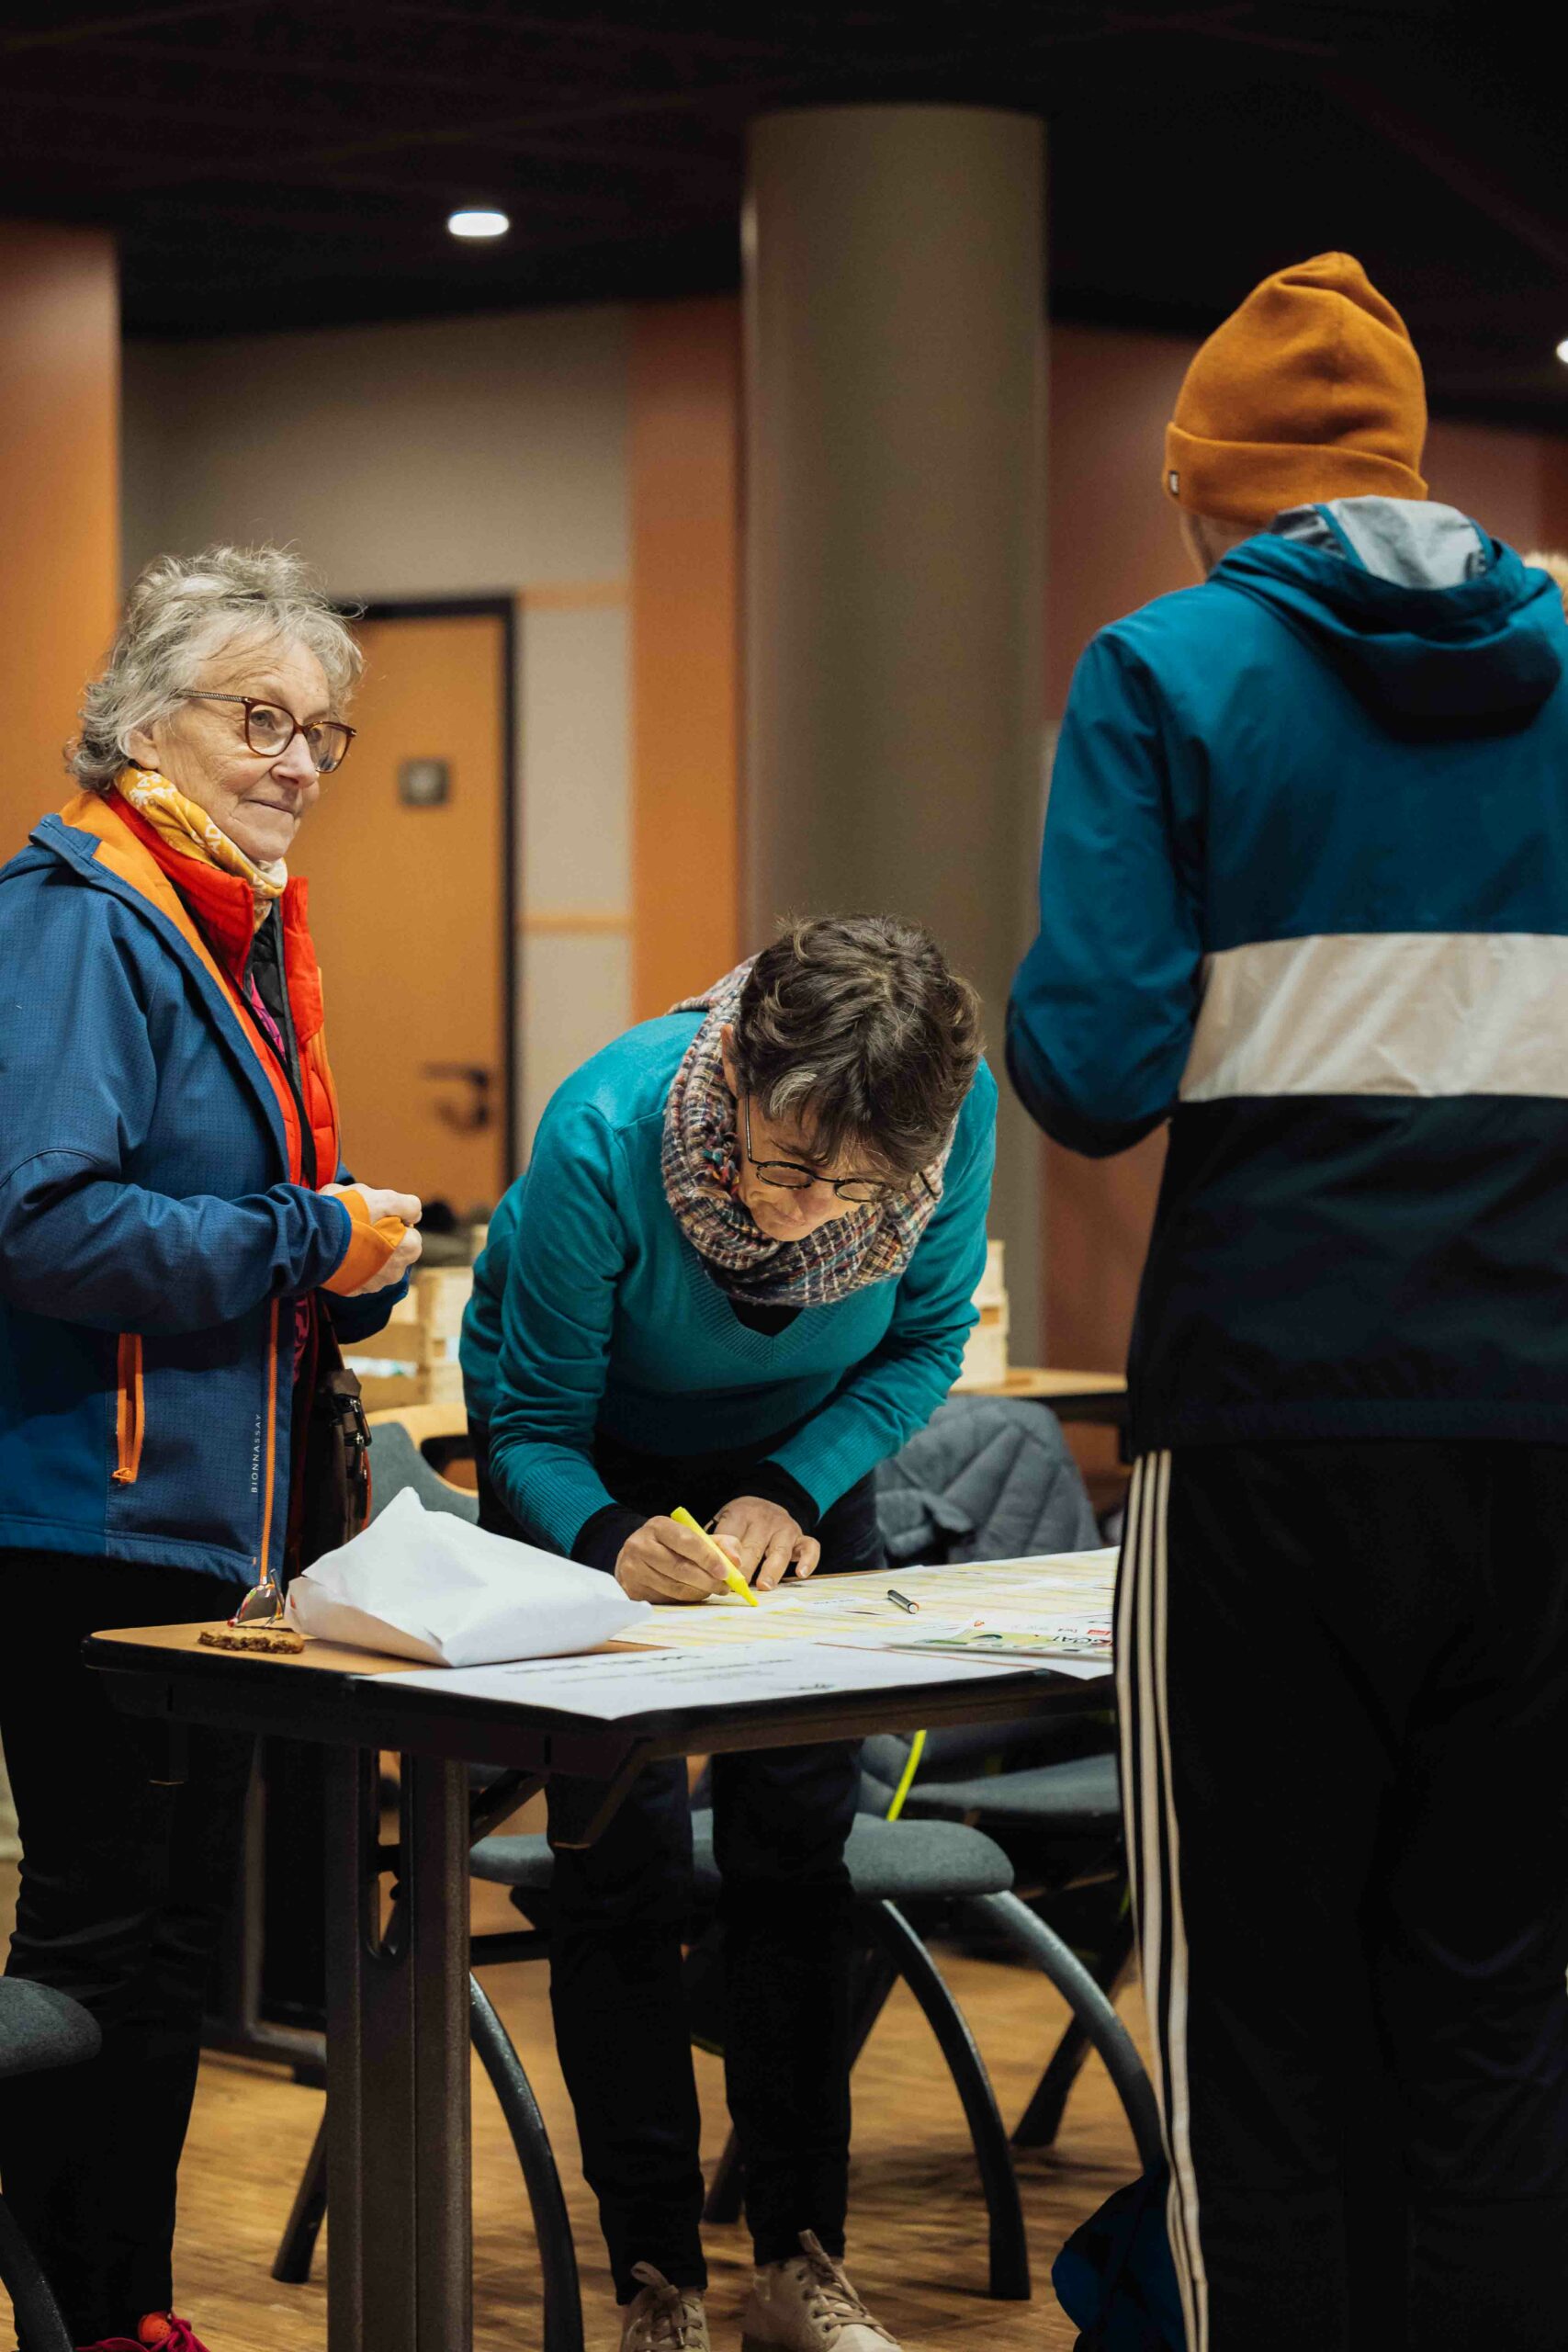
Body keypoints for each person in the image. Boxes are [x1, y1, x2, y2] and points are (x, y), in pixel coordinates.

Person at [1009, 251, 1568, 2352]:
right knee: (1491, 2001)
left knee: (1250, 2009)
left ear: (1200, 493)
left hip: (1268, 1419)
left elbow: (1087, 1067)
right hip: (1541, 1422)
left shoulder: (1164, 668)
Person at [461, 914, 995, 2352]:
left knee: (795, 1861)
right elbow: (529, 1421)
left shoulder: (949, 1117)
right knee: (620, 1871)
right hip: (586, 1464)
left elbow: (925, 1341)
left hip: (800, 1465)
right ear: (743, 1078)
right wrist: (606, 1535)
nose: (814, 1211)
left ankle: (800, 2263)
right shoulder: (606, 1132)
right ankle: (656, 2280)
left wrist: (791, 1487)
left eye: (860, 1184)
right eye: (786, 1162)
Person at [0, 545, 423, 2352]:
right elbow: (42, 1220)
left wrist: (333, 1262)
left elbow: (214, 1221)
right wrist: (304, 1233)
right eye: (261, 719)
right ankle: (80, 2313)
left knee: (167, 1951)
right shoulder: (81, 914)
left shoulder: (226, 922)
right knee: (103, 1944)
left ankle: (126, 2309)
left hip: (207, 1529)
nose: (298, 759)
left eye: (322, 731)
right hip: (83, 1521)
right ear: (141, 718)